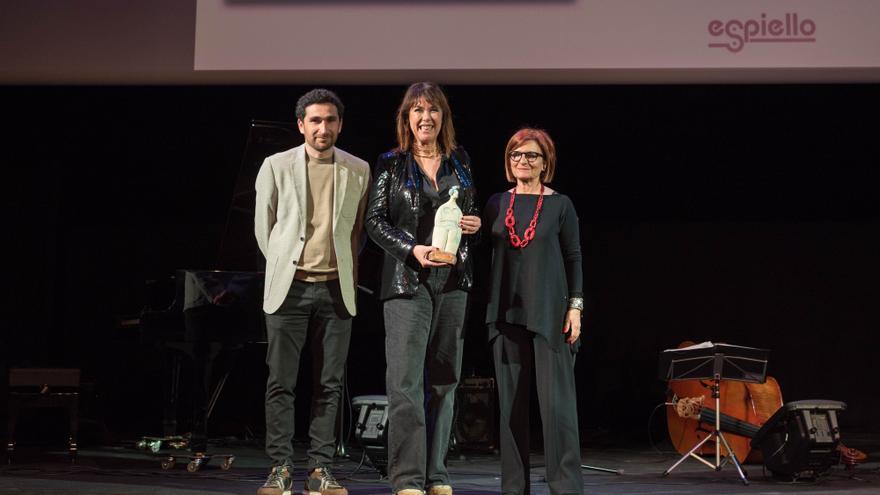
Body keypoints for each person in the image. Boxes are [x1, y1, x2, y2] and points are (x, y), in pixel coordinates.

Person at [364, 82, 481, 495]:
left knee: (445, 381)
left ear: (443, 117)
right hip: (407, 283)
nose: (425, 117)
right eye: (417, 110)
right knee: (406, 383)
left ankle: (437, 475)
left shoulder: (460, 161)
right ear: (406, 118)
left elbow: (470, 213)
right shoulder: (392, 163)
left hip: (452, 282)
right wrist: (411, 249)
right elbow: (374, 222)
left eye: (432, 109)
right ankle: (408, 478)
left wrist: (474, 224)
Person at [254, 88, 370, 495]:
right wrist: (287, 267)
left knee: (330, 384)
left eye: (331, 120)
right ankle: (280, 468)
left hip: (336, 290)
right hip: (289, 290)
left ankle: (321, 471)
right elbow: (263, 227)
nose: (324, 127)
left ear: (340, 124)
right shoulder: (275, 165)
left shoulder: (358, 168)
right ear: (301, 124)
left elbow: (357, 231)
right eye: (315, 120)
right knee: (281, 382)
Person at [482, 128, 584, 495]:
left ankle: (566, 485)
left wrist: (576, 306)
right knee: (510, 409)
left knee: (557, 408)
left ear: (546, 163)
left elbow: (574, 257)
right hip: (505, 313)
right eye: (515, 156)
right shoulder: (495, 202)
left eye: (531, 156)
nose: (522, 161)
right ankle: (514, 487)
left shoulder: (561, 205)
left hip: (549, 312)